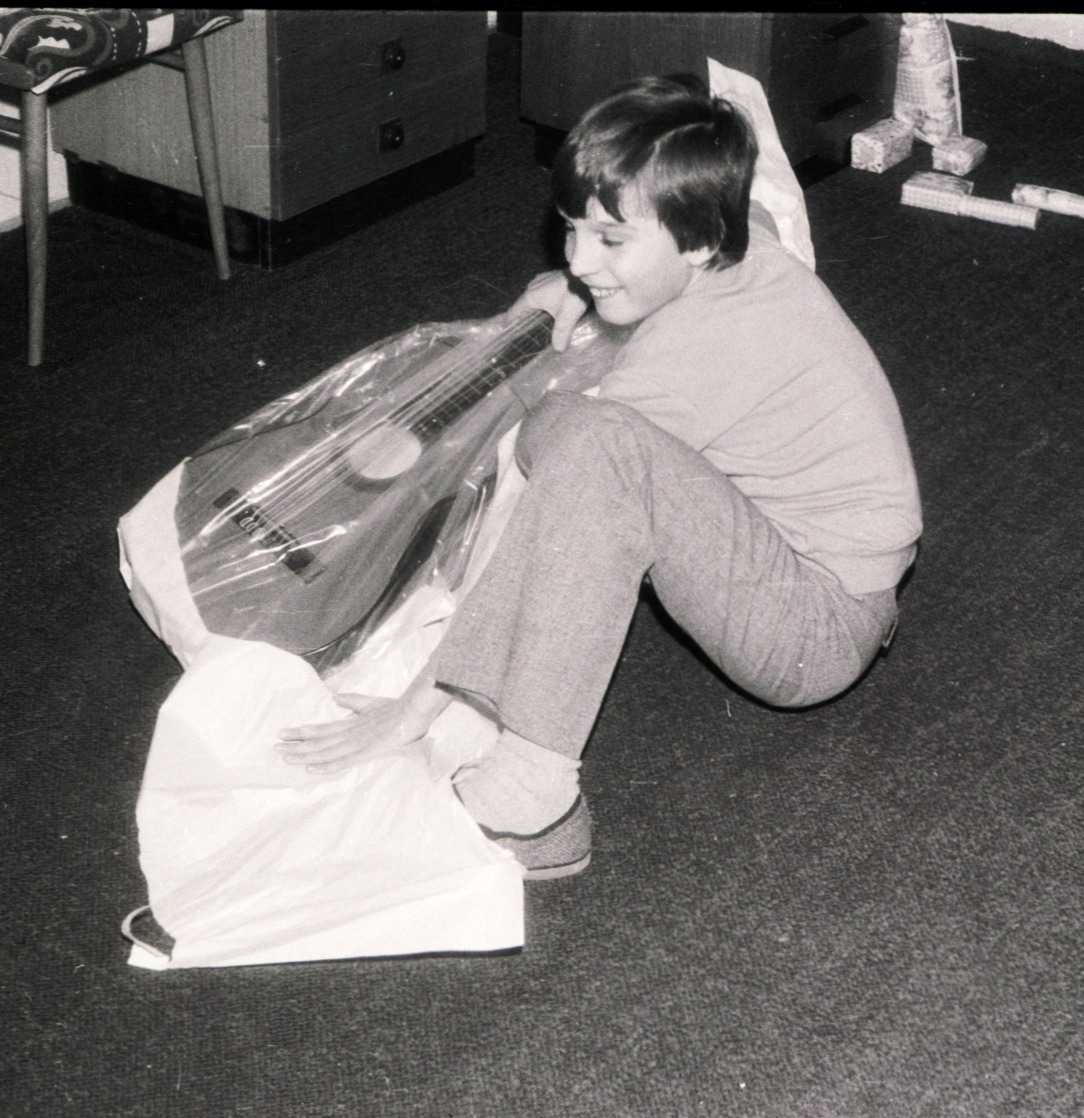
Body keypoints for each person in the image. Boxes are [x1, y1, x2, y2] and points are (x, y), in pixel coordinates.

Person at [275, 73, 922, 879]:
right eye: (573, 229)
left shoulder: (712, 343)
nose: (581, 260)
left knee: (581, 443)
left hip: (812, 632)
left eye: (611, 241)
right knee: (568, 431)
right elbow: (752, 208)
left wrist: (414, 707)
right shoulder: (732, 240)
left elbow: (542, 500)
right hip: (801, 570)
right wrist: (575, 288)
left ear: (696, 240)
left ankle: (534, 800)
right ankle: (502, 716)